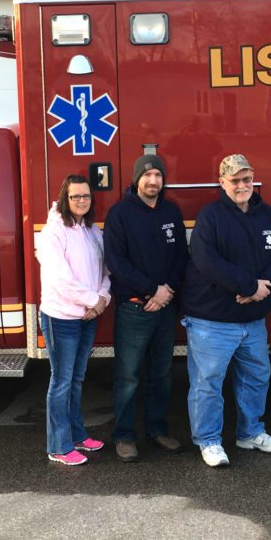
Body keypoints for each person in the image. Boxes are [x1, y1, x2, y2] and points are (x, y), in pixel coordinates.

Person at [182, 154, 271, 467]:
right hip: (212, 319)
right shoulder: (211, 216)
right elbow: (206, 260)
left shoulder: (266, 214)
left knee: (256, 377)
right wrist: (248, 286)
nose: (242, 185)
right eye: (235, 180)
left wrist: (266, 286)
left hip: (252, 319)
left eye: (246, 179)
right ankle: (209, 441)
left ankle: (250, 433)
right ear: (222, 183)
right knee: (207, 384)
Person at [103, 154, 188, 463]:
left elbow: (181, 256)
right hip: (134, 309)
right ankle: (124, 435)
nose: (153, 181)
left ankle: (157, 429)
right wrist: (152, 290)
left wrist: (167, 291)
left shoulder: (171, 211)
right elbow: (117, 263)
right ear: (137, 179)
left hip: (165, 307)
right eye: (147, 175)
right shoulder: (120, 214)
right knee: (128, 375)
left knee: (162, 374)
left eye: (158, 176)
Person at [36, 174, 111, 466]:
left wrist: (102, 299)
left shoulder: (92, 230)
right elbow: (60, 280)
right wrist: (93, 301)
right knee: (62, 381)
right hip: (61, 318)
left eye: (86, 196)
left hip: (88, 317)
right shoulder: (53, 233)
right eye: (75, 196)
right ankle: (58, 446)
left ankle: (77, 436)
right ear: (65, 199)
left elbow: (105, 270)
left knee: (77, 380)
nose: (81, 201)